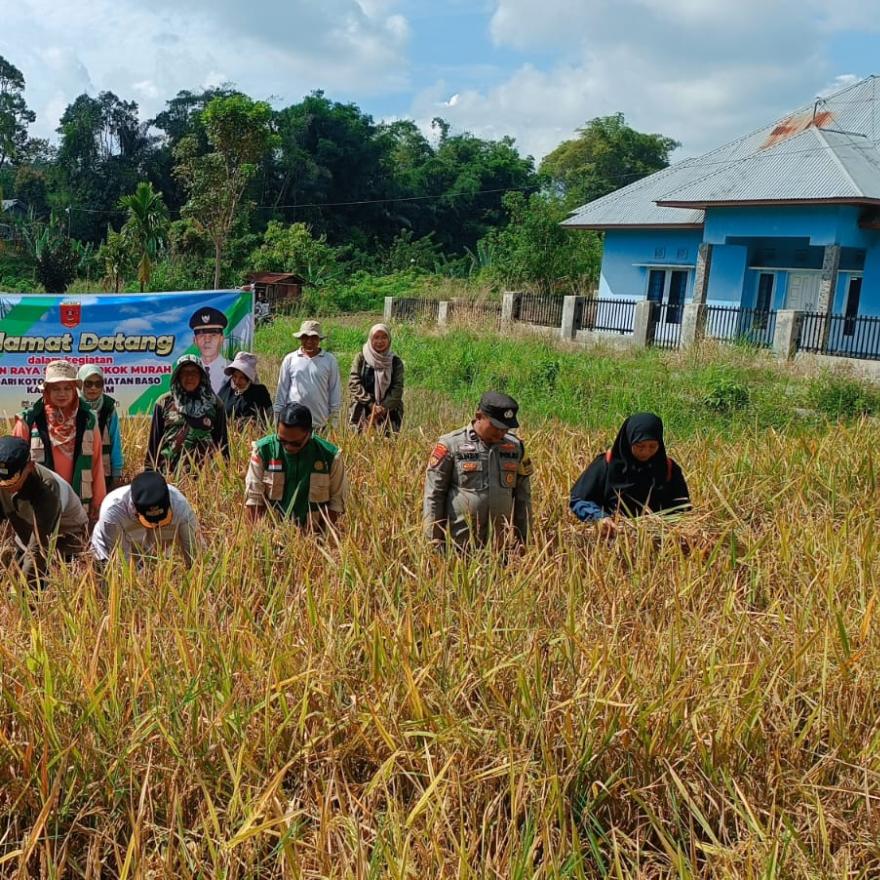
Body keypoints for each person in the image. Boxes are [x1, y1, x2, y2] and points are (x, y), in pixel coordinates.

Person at [423, 391, 532, 553]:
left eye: (505, 428)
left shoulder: (516, 448)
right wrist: (434, 540)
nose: (501, 433)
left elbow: (523, 497)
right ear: (479, 416)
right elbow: (434, 495)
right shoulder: (450, 445)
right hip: (459, 545)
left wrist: (523, 539)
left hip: (499, 549)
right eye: (495, 426)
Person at [569, 412, 690, 535]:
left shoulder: (668, 468)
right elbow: (579, 499)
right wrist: (599, 517)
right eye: (640, 446)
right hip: (614, 538)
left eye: (652, 446)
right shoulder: (606, 464)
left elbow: (682, 508)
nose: (646, 452)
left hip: (658, 540)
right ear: (628, 441)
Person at [13, 359, 106, 518]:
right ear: (47, 391)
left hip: (78, 503)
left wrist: (99, 503)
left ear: (74, 390)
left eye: (67, 388)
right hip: (39, 508)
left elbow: (96, 464)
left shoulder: (88, 420)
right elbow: (14, 467)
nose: (62, 394)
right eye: (56, 388)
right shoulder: (28, 421)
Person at [0, 436, 89, 587]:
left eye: (11, 480)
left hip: (64, 539)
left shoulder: (48, 489)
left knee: (36, 592)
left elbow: (39, 550)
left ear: (30, 466)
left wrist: (21, 595)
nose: (5, 486)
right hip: (27, 534)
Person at [245, 402, 347, 529]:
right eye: (282, 441)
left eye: (295, 444)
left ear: (309, 434)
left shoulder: (331, 457)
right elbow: (254, 500)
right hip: (272, 535)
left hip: (314, 537)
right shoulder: (262, 452)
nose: (288, 447)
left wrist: (327, 541)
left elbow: (336, 506)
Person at [91, 470, 200, 566]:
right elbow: (122, 563)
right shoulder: (113, 512)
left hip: (154, 553)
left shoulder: (180, 505)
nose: (156, 526)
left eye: (162, 521)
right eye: (151, 522)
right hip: (111, 553)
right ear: (136, 512)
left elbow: (195, 553)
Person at [146, 354, 229, 473]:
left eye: (194, 372)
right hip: (170, 477)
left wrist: (226, 475)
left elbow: (222, 443)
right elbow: (154, 443)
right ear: (177, 376)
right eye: (184, 372)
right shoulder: (164, 402)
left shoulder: (214, 403)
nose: (189, 377)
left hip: (206, 479)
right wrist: (149, 472)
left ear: (202, 376)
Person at [273, 320, 341, 432]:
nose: (309, 341)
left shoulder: (329, 360)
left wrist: (334, 421)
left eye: (314, 337)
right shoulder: (290, 359)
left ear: (319, 339)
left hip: (320, 422)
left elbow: (334, 391)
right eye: (305, 337)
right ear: (300, 338)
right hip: (293, 423)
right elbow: (282, 391)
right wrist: (278, 418)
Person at [348, 323, 405, 433]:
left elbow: (397, 388)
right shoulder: (361, 358)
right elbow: (354, 383)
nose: (380, 341)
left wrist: (383, 408)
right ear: (370, 339)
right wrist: (371, 404)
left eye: (384, 337)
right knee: (358, 443)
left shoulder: (395, 362)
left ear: (389, 340)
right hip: (362, 408)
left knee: (387, 445)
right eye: (376, 337)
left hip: (389, 410)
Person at [78, 364, 124, 491]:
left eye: (98, 384)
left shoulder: (108, 408)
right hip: (78, 470)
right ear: (80, 383)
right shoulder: (73, 405)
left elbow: (115, 441)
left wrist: (117, 473)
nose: (93, 388)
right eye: (88, 383)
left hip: (104, 471)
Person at [218, 352, 273, 425]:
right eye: (234, 376)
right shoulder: (226, 389)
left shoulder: (259, 392)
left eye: (242, 378)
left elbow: (269, 418)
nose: (237, 381)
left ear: (249, 378)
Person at [189, 307, 228, 393]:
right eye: (202, 335)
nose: (207, 340)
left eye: (213, 335)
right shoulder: (189, 371)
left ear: (222, 339)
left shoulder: (233, 369)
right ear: (195, 340)